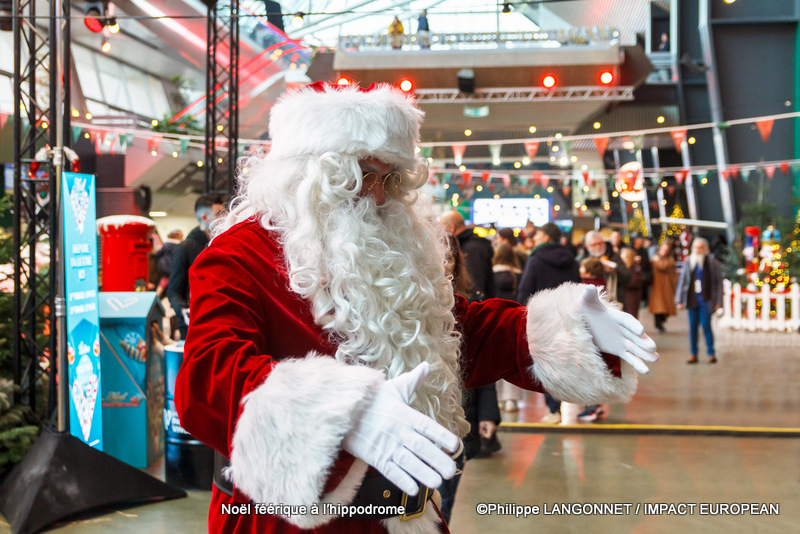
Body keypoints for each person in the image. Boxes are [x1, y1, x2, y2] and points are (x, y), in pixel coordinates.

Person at [174, 82, 657, 533]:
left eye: (389, 177)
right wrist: (345, 414)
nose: (380, 195)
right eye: (363, 175)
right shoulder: (238, 256)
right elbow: (207, 376)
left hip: (408, 511)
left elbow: (451, 329)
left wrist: (559, 332)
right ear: (312, 173)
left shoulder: (392, 247)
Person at [437, 234, 501, 523]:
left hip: (458, 421)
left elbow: (483, 363)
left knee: (444, 504)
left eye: (448, 256)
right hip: (419, 423)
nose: (443, 263)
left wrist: (488, 414)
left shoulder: (470, 303)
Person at [516, 222, 581, 424]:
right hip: (566, 317)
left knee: (546, 363)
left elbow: (525, 291)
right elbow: (577, 288)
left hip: (543, 320)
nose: (533, 237)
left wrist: (520, 313)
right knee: (564, 361)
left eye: (538, 234)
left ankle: (554, 410)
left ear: (545, 237)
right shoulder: (571, 260)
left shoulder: (535, 261)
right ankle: (567, 401)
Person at [166, 194, 225, 339]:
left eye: (224, 213)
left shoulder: (222, 244)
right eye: (219, 214)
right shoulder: (184, 249)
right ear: (204, 218)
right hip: (194, 327)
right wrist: (183, 311)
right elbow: (173, 291)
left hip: (220, 323)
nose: (224, 218)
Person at [676, 237, 723, 364]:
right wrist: (679, 300)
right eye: (696, 247)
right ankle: (693, 353)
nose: (698, 250)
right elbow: (683, 281)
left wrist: (719, 302)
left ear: (706, 249)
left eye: (701, 247)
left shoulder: (713, 263)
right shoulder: (688, 262)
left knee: (706, 327)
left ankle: (711, 353)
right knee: (692, 328)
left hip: (706, 301)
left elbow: (719, 284)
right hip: (692, 301)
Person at [491, 242, 524, 412]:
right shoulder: (519, 274)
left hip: (495, 321)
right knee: (513, 361)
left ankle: (498, 399)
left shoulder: (492, 273)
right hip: (515, 321)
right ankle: (512, 399)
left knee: (494, 360)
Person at [440, 210, 496, 299]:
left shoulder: (472, 248)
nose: (440, 232)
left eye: (441, 226)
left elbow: (475, 284)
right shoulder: (469, 245)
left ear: (451, 227)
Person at [579, 230, 631, 305]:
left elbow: (627, 277)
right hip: (588, 303)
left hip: (612, 301)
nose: (598, 247)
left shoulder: (614, 256)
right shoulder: (581, 260)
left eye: (600, 243)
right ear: (587, 247)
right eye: (594, 244)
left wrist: (614, 270)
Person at [649, 242, 678, 333]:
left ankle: (661, 323)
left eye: (666, 250)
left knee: (666, 307)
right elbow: (661, 266)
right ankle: (658, 325)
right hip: (657, 286)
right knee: (658, 307)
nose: (664, 252)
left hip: (668, 286)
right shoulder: (657, 259)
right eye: (663, 249)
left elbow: (667, 266)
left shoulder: (668, 259)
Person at [154, 229, 184, 298]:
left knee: (163, 282)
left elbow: (157, 254)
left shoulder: (165, 245)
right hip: (172, 266)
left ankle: (157, 295)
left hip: (162, 267)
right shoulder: (179, 246)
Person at [620, 247, 644, 319]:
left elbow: (634, 282)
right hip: (628, 295)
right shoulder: (626, 267)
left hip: (631, 296)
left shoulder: (634, 268)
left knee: (630, 316)